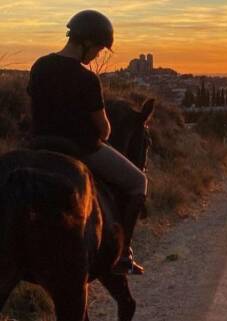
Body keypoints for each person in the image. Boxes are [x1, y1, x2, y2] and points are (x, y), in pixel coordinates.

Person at [28, 10, 146, 275]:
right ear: (88, 43)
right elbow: (103, 129)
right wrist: (103, 132)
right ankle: (123, 254)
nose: (97, 55)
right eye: (100, 49)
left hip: (38, 145)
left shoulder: (40, 66)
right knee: (139, 182)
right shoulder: (87, 79)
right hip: (80, 148)